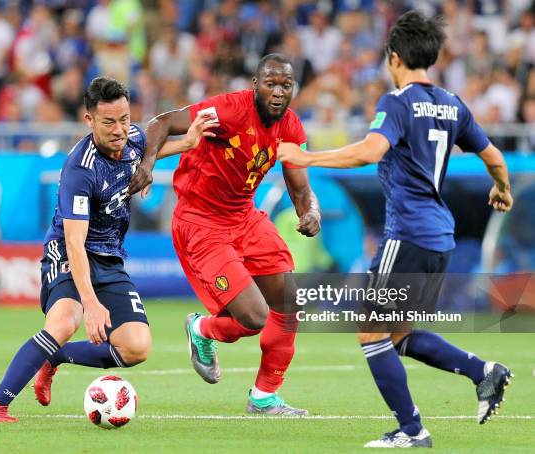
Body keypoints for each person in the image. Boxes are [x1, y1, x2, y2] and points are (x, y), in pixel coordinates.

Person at [278, 11, 513, 448]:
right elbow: (495, 156)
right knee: (399, 335)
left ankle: (412, 431)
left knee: (370, 331)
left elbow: (370, 151)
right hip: (440, 237)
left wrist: (306, 158)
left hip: (407, 233)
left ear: (394, 57)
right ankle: (484, 372)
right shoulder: (452, 103)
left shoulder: (398, 102)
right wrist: (502, 190)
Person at [0, 77, 214, 422]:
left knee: (136, 347)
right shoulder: (80, 170)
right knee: (63, 323)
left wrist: (187, 143)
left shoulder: (131, 139)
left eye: (125, 119)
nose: (119, 130)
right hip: (69, 252)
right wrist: (90, 304)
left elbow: (145, 152)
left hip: (109, 256)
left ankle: (55, 357)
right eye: (109, 122)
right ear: (89, 120)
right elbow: (74, 242)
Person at [130, 53, 321, 415]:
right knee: (253, 318)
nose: (278, 92)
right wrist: (147, 163)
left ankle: (264, 397)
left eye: (286, 85)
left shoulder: (292, 127)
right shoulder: (229, 110)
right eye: (271, 84)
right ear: (255, 86)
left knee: (289, 300)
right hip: (200, 222)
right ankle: (201, 328)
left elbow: (300, 188)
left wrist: (310, 211)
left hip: (244, 218)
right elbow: (163, 121)